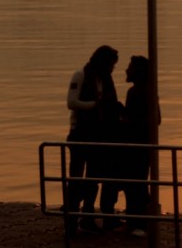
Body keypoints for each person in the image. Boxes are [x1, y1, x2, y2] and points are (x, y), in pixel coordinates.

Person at [65, 44, 121, 234]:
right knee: (76, 177)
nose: (112, 69)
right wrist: (95, 105)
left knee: (94, 177)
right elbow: (71, 102)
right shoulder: (80, 75)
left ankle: (87, 214)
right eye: (111, 65)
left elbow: (111, 103)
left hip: (98, 134)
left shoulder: (105, 80)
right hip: (80, 134)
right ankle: (71, 217)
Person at [121, 55, 159, 237]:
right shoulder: (151, 91)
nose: (126, 70)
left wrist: (122, 116)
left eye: (130, 67)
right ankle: (139, 220)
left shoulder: (135, 92)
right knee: (139, 183)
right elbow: (157, 119)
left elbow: (132, 120)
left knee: (134, 184)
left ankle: (138, 222)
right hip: (145, 145)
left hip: (135, 145)